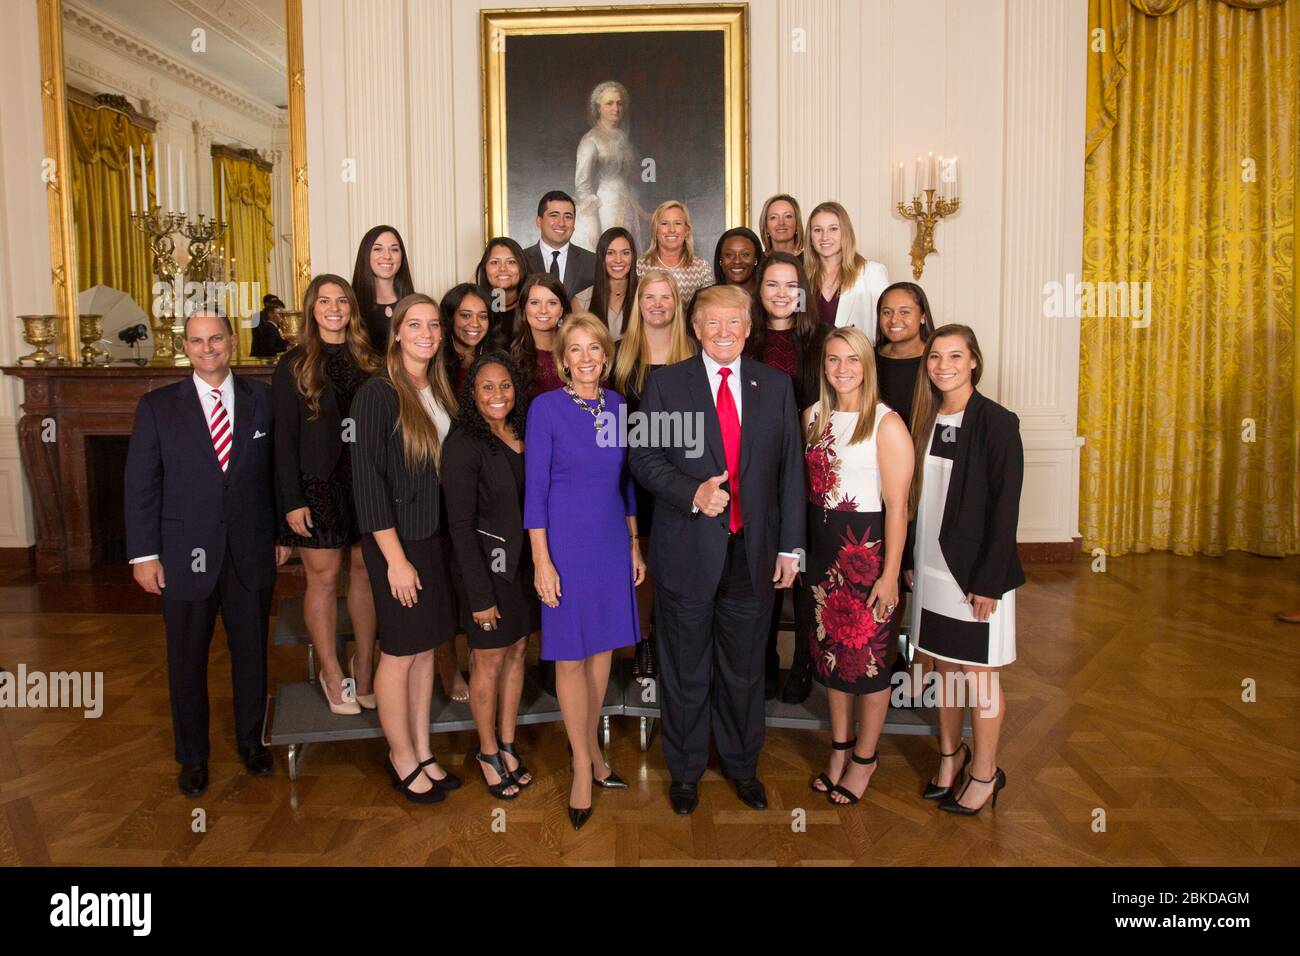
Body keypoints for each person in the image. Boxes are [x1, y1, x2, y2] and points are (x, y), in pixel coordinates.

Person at [629, 284, 805, 816]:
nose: (724, 332)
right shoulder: (667, 385)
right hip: (687, 551)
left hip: (755, 554)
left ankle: (740, 765)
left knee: (745, 670)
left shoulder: (775, 386)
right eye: (712, 323)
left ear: (749, 328)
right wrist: (692, 493)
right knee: (683, 669)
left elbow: (791, 471)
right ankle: (684, 773)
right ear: (696, 329)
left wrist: (791, 548)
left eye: (734, 322)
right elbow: (643, 456)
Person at [125, 311, 289, 796]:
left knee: (251, 656)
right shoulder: (157, 407)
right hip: (182, 555)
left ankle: (252, 743)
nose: (207, 348)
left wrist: (281, 533)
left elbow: (277, 473)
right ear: (186, 347)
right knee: (186, 661)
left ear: (232, 341)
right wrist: (143, 556)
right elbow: (141, 487)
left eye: (215, 338)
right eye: (196, 341)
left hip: (250, 549)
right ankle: (193, 756)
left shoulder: (262, 399)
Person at [525, 313, 644, 830]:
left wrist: (635, 545)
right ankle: (580, 762)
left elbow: (628, 483)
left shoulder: (619, 406)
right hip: (564, 546)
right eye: (575, 349)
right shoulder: (545, 408)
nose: (586, 358)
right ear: (563, 358)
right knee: (570, 656)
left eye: (594, 348)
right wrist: (541, 560)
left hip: (611, 541)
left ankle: (594, 750)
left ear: (606, 353)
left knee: (600, 653)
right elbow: (536, 491)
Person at [905, 323, 1023, 815]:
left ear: (974, 361)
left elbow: (1005, 509)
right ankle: (951, 757)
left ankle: (985, 773)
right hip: (929, 570)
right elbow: (914, 499)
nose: (944, 365)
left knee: (979, 679)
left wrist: (988, 582)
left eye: (955, 356)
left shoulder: (997, 422)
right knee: (944, 672)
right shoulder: (925, 418)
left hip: (974, 576)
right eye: (935, 357)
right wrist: (910, 558)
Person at [351, 293, 463, 804]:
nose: (426, 333)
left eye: (433, 325)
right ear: (395, 332)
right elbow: (367, 485)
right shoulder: (377, 394)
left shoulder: (438, 387)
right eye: (414, 325)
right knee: (399, 653)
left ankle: (422, 749)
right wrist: (395, 560)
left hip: (434, 539)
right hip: (398, 544)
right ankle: (400, 757)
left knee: (423, 652)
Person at [801, 327, 914, 804]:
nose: (842, 369)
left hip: (867, 554)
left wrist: (889, 576)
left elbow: (898, 505)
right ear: (823, 365)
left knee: (869, 663)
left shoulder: (886, 423)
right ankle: (840, 748)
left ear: (868, 365)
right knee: (832, 658)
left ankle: (865, 758)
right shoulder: (814, 416)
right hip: (823, 551)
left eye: (852, 359)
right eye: (832, 360)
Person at [273, 274, 382, 716]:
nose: (333, 308)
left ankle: (367, 667)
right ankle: (333, 673)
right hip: (317, 487)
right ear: (311, 308)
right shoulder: (294, 364)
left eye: (341, 300)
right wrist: (291, 500)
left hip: (365, 483)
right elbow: (282, 439)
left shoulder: (370, 360)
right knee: (322, 577)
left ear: (352, 308)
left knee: (365, 573)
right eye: (324, 301)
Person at [443, 353, 540, 800]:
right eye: (487, 387)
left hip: (525, 566)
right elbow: (460, 528)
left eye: (505, 385)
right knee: (489, 659)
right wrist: (481, 596)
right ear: (472, 393)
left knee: (518, 651)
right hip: (488, 568)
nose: (497, 394)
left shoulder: (522, 432)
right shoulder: (463, 443)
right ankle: (485, 752)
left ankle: (506, 743)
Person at [745, 251, 827, 703]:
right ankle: (765, 661)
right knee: (767, 560)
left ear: (802, 291)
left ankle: (804, 661)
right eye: (772, 284)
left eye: (790, 285)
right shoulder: (747, 339)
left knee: (806, 559)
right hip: (760, 465)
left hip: (814, 461)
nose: (781, 294)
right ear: (759, 291)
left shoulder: (820, 339)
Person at [612, 270, 696, 682]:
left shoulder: (695, 354)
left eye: (666, 297)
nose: (658, 304)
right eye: (650, 296)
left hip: (680, 476)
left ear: (676, 304)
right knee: (639, 557)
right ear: (638, 303)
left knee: (676, 560)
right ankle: (643, 640)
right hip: (629, 474)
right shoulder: (617, 355)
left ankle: (670, 641)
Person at [573, 81, 643, 250]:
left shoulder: (621, 137)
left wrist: (640, 211)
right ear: (598, 108)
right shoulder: (590, 140)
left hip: (625, 204)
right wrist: (593, 223)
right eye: (609, 103)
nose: (616, 108)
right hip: (604, 208)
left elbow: (625, 179)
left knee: (628, 254)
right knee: (608, 252)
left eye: (619, 103)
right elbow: (582, 185)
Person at [804, 201, 889, 333]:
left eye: (833, 229)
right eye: (818, 230)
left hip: (858, 352)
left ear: (846, 233)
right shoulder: (802, 277)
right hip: (810, 353)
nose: (825, 237)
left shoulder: (872, 273)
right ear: (810, 237)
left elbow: (886, 325)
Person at [874, 282, 936, 427]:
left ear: (923, 317)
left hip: (926, 446)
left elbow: (953, 414)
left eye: (904, 312)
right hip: (879, 447)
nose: (894, 320)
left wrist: (946, 445)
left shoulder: (937, 360)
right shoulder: (868, 357)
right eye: (887, 312)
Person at [635, 200, 713, 303]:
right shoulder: (641, 266)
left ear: (686, 230)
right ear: (655, 230)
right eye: (664, 223)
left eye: (677, 223)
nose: (671, 229)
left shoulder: (702, 268)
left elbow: (708, 309)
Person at [352, 225, 415, 351]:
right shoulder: (351, 304)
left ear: (402, 257)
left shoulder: (415, 304)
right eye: (377, 249)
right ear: (365, 255)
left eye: (394, 250)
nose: (387, 256)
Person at [523, 191, 596, 297]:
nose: (561, 223)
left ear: (574, 223)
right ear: (539, 221)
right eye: (554, 215)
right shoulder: (521, 260)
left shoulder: (592, 262)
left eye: (568, 217)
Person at [509, 273, 570, 399]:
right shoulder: (512, 360)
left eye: (552, 303)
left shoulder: (576, 352)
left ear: (562, 310)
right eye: (535, 302)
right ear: (524, 309)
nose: (543, 310)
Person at [572, 226, 638, 340]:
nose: (618, 260)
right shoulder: (581, 301)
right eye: (610, 253)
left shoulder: (646, 294)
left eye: (625, 253)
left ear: (633, 257)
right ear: (601, 256)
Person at [441, 283, 496, 397]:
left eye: (483, 316)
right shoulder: (436, 361)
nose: (475, 324)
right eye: (466, 315)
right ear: (450, 318)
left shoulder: (497, 358)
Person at [474, 237, 527, 342]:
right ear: (485, 269)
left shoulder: (534, 308)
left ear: (522, 267)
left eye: (511, 262)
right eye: (495, 262)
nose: (503, 268)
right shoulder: (475, 310)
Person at [711, 227, 763, 297]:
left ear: (755, 259)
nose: (737, 261)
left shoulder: (768, 298)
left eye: (745, 254)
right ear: (720, 260)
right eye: (729, 255)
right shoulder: (704, 297)